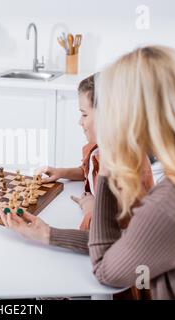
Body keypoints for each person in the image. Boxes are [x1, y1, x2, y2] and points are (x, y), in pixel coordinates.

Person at [0, 46, 175, 299]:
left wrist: (108, 167)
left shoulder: (174, 202)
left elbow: (107, 271)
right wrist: (49, 234)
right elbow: (134, 246)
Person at [36, 74, 154, 230]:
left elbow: (105, 232)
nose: (80, 122)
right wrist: (62, 172)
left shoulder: (124, 167)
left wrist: (90, 209)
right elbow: (89, 172)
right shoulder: (98, 148)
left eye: (84, 114)